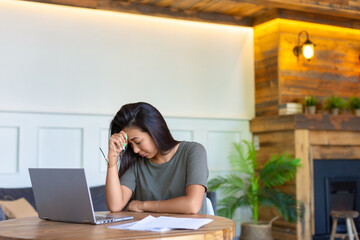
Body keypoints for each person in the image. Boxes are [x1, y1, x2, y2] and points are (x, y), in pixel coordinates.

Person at [105, 102, 208, 214]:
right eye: (130, 144)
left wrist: (142, 205)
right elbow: (115, 206)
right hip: (150, 232)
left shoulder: (193, 151)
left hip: (190, 231)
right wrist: (112, 158)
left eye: (138, 142)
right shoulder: (137, 163)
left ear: (154, 131)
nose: (135, 150)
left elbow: (192, 205)